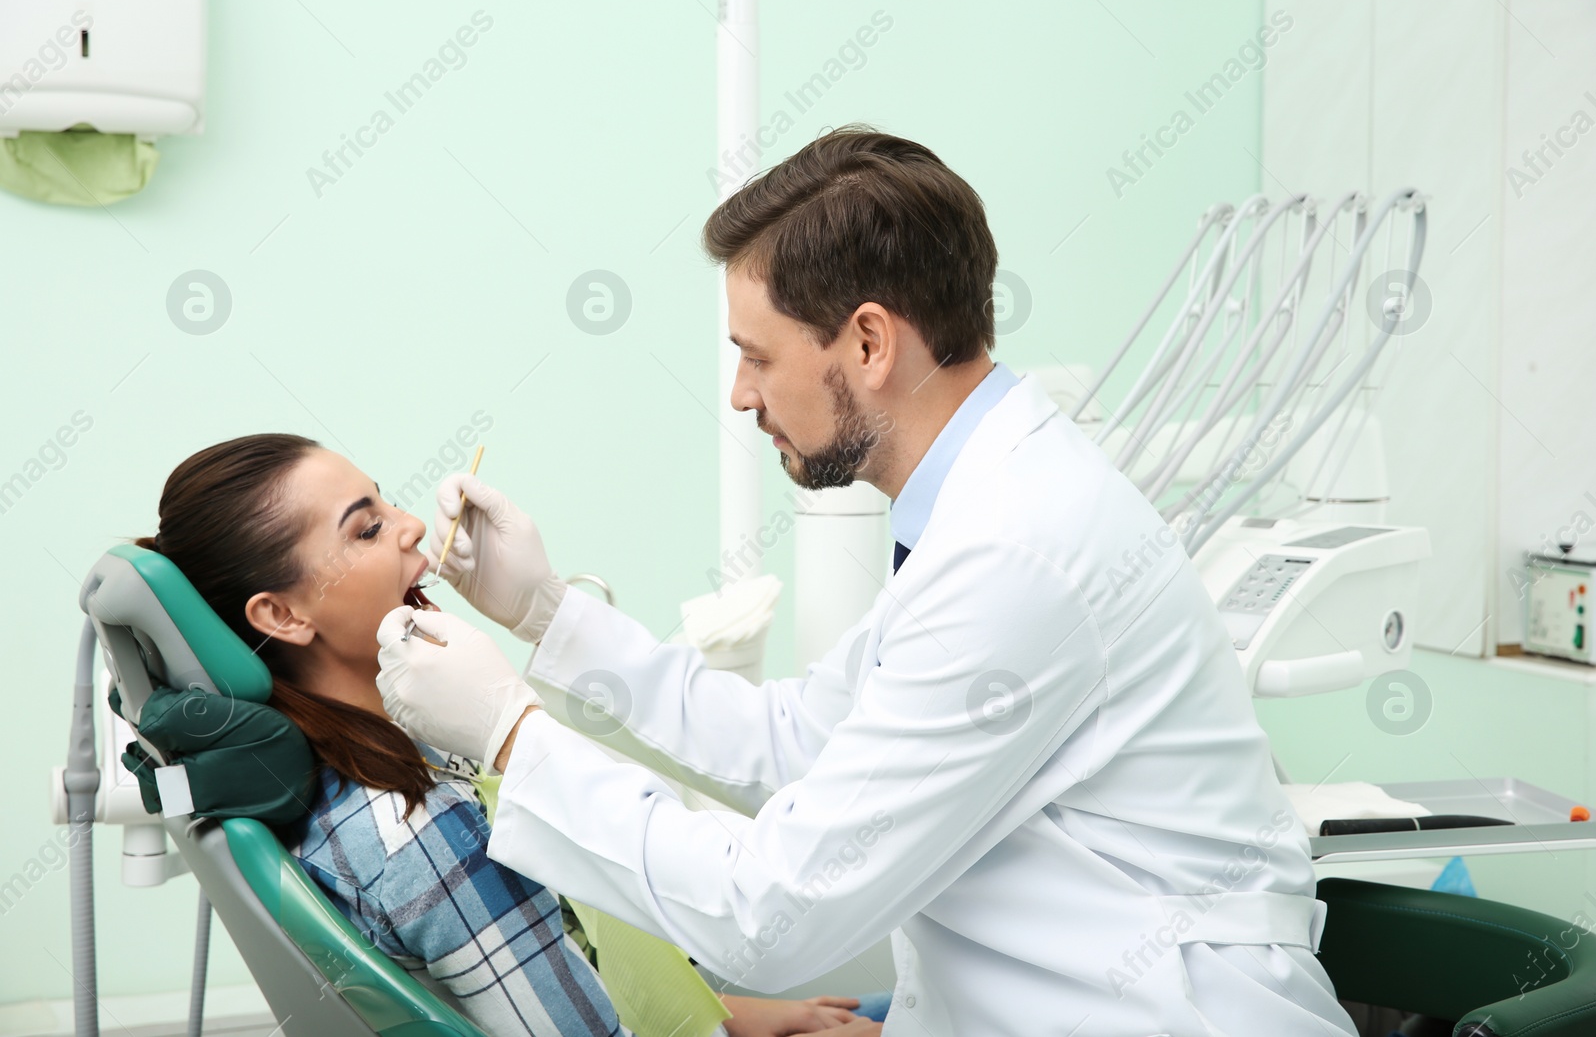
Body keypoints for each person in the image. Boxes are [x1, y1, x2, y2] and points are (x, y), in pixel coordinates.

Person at [376, 127, 1359, 1036]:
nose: (740, 393)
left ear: (869, 343)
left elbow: (777, 915)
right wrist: (546, 612)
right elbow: (802, 738)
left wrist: (511, 729)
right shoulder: (980, 506)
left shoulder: (1014, 552)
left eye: (757, 355)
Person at [135, 433, 883, 1037]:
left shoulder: (397, 759)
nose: (414, 525)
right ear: (282, 616)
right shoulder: (418, 828)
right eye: (366, 528)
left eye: (387, 503)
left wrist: (729, 1018)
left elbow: (576, 961)